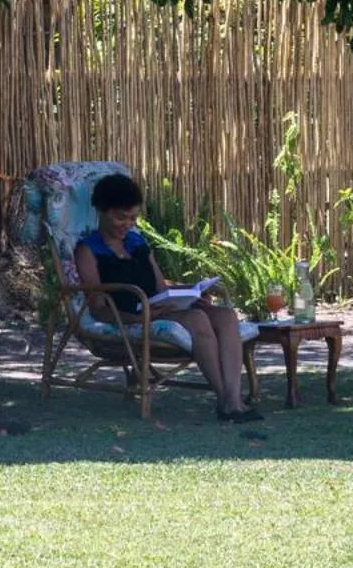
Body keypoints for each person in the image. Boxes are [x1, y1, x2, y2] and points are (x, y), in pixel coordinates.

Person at [72, 172, 260, 422]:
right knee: (197, 319)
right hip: (132, 314)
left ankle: (234, 399)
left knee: (226, 315)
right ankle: (225, 401)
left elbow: (161, 286)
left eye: (132, 218)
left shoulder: (137, 242)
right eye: (120, 217)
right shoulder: (88, 250)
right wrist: (140, 319)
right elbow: (97, 308)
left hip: (162, 307)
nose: (127, 224)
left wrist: (193, 293)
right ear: (101, 211)